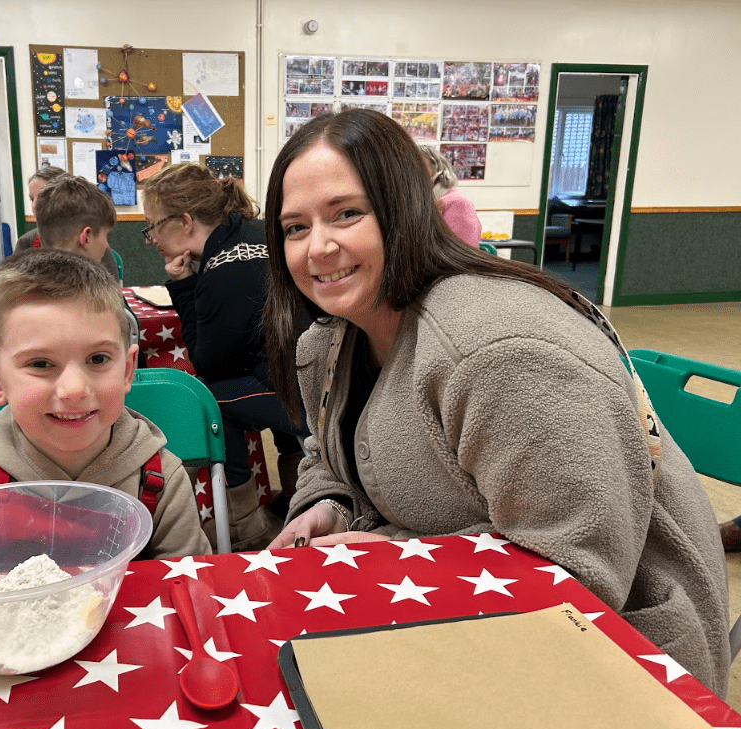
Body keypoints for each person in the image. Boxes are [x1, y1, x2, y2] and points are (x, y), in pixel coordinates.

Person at [262, 108, 729, 696]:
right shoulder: (330, 341)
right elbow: (324, 454)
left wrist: (392, 557)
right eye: (295, 227)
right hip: (440, 620)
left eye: (347, 214)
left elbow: (577, 571)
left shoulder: (500, 350)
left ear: (405, 209)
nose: (317, 248)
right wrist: (326, 503)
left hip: (612, 657)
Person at [0, 250, 210, 563]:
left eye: (98, 359)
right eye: (41, 363)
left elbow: (185, 587)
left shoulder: (160, 479)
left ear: (127, 370)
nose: (74, 390)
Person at [142, 162, 308, 552]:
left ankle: (244, 524)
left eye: (152, 226)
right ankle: (298, 495)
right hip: (317, 382)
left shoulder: (219, 271)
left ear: (184, 221)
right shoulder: (259, 232)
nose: (150, 238)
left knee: (210, 399)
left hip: (301, 396)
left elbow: (207, 361)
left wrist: (183, 286)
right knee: (263, 371)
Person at [13, 167, 122, 282]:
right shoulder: (26, 243)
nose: (35, 205)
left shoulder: (98, 248)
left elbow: (113, 293)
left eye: (41, 197)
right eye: (31, 199)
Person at [418, 143, 482, 247]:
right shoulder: (416, 201)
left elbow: (464, 252)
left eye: (419, 164)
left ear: (437, 169)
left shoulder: (457, 203)